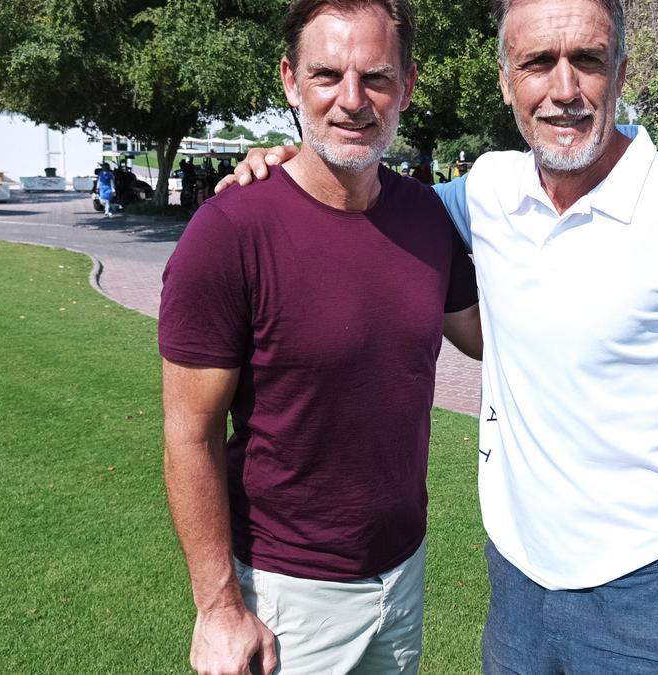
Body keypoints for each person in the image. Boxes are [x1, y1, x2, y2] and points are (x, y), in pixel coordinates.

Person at [221, 1, 658, 672]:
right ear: (505, 80)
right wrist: (292, 163)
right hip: (516, 580)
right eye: (538, 63)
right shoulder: (488, 188)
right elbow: (373, 196)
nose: (564, 89)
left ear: (622, 71)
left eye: (588, 61)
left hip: (645, 583)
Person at [158, 1, 481, 674]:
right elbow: (190, 433)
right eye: (328, 74)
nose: (353, 101)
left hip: (402, 576)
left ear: (409, 86)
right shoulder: (229, 232)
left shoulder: (426, 217)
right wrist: (218, 606)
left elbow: (488, 337)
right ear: (290, 81)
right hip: (285, 597)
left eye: (377, 77)